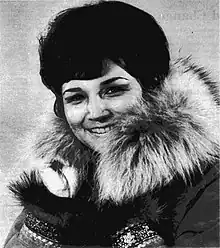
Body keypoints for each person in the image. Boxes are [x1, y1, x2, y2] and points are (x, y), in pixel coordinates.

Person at [4, 1, 219, 247]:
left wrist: (123, 223)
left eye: (114, 90)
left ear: (154, 88)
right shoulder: (68, 176)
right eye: (76, 97)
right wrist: (53, 209)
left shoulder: (208, 180)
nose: (95, 112)